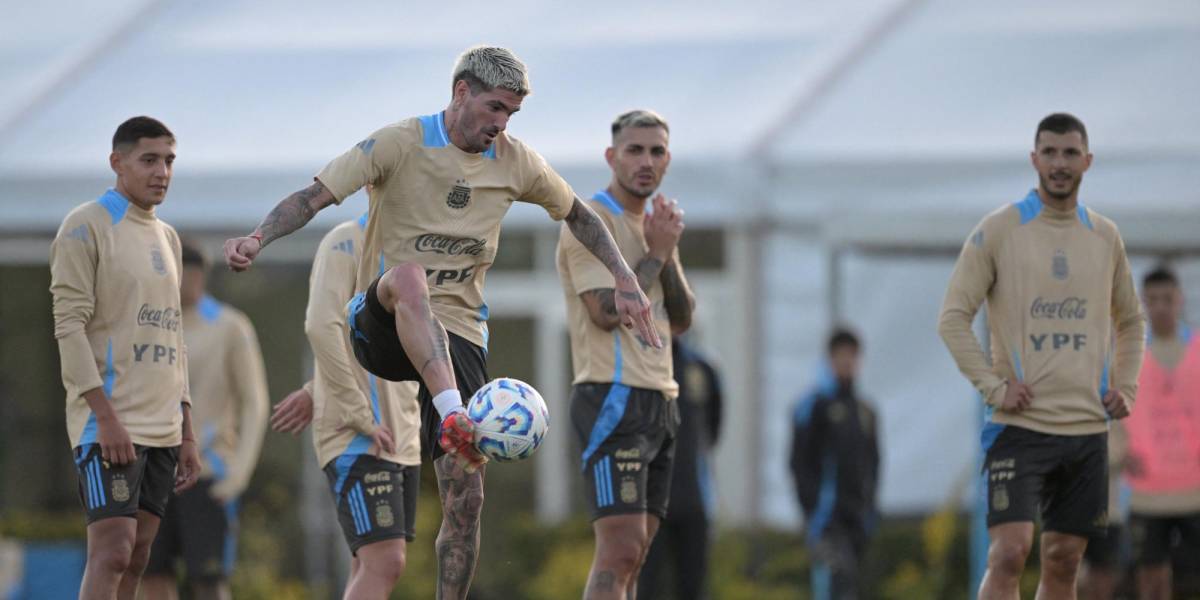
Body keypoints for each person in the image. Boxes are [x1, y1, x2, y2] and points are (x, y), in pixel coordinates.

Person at [222, 46, 659, 599]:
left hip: (459, 335)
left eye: (511, 115)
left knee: (466, 496)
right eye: (495, 108)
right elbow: (313, 197)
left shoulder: (515, 160)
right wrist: (258, 237)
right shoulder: (399, 143)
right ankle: (454, 413)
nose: (500, 124)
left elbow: (578, 213)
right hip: (378, 321)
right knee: (409, 278)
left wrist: (624, 276)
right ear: (461, 93)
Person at [938, 113, 1145, 600]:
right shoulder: (999, 230)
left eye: (1070, 153)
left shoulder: (1105, 236)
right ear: (1034, 159)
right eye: (1049, 152)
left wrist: (1127, 386)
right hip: (1020, 427)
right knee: (1008, 553)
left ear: (1087, 161)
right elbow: (951, 318)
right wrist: (993, 387)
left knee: (1062, 561)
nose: (1059, 163)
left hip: (1086, 429)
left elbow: (1131, 321)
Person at [49, 116, 201, 600]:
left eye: (169, 161)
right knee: (112, 551)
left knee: (138, 556)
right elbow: (68, 326)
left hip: (163, 426)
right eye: (149, 160)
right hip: (109, 423)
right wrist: (106, 417)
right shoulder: (86, 225)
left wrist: (187, 428)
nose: (162, 172)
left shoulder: (169, 238)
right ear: (117, 163)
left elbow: (174, 337)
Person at [557, 109, 696, 600]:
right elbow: (604, 310)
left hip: (661, 398)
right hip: (612, 396)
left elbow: (680, 317)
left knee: (636, 555)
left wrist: (667, 249)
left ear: (668, 160)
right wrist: (656, 254)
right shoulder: (589, 223)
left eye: (657, 151)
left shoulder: (655, 224)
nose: (646, 161)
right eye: (635, 150)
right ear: (612, 156)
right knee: (619, 549)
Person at [271, 211, 424, 599]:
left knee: (368, 562)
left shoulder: (422, 248)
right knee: (385, 560)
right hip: (359, 432)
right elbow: (323, 327)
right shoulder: (346, 241)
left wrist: (314, 387)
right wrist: (360, 414)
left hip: (402, 434)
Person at [142, 239, 270, 600]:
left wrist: (239, 473)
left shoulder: (231, 326)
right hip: (156, 469)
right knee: (152, 573)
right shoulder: (153, 323)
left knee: (209, 580)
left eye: (195, 274)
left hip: (210, 472)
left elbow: (254, 402)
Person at [1124, 266, 1200, 600]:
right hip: (1147, 495)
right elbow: (1110, 410)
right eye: (1152, 300)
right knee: (1151, 578)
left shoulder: (1197, 350)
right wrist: (1117, 453)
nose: (1160, 307)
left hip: (1194, 491)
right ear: (1143, 303)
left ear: (1179, 300)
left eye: (1166, 299)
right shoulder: (1129, 357)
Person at [789, 328, 880, 600]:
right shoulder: (814, 406)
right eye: (841, 355)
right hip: (826, 519)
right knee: (837, 581)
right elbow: (798, 462)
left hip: (857, 518)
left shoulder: (866, 411)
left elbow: (874, 465)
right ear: (830, 359)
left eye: (852, 355)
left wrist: (870, 509)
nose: (847, 361)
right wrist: (811, 510)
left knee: (851, 585)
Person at [637, 334, 723, 600]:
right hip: (647, 500)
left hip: (693, 498)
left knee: (693, 587)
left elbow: (713, 427)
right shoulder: (638, 367)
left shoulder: (701, 368)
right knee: (646, 586)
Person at [1078, 422, 1128, 600]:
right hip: (1072, 515)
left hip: (1109, 514)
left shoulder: (1115, 421)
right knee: (1074, 573)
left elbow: (1116, 457)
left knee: (1104, 571)